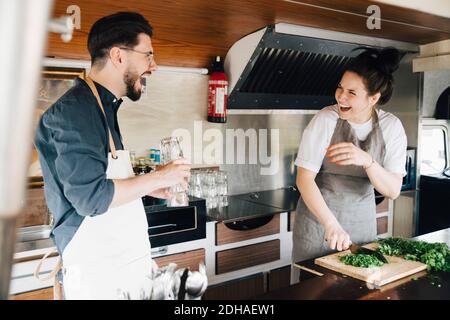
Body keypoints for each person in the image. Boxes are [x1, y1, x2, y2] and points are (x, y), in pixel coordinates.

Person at [34, 12, 191, 299]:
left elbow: (103, 183)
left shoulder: (102, 108)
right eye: (148, 55)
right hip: (100, 277)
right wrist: (160, 175)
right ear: (119, 56)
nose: (153, 66)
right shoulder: (75, 112)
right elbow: (91, 198)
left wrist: (151, 186)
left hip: (121, 267)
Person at [292, 47, 407, 278]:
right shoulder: (325, 119)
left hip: (361, 226)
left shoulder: (391, 127)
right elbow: (304, 179)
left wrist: (368, 161)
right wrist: (330, 224)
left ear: (373, 98)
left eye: (352, 92)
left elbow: (393, 190)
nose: (341, 97)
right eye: (340, 88)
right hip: (318, 225)